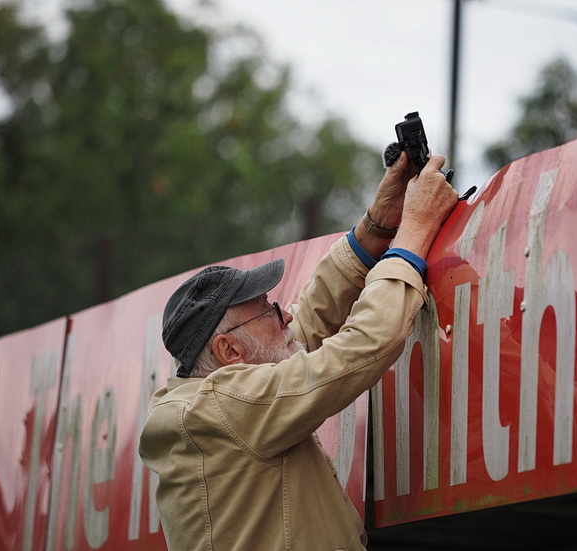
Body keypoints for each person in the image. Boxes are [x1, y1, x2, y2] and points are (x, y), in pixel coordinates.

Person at [138, 151, 459, 551]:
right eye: (270, 312)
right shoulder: (226, 408)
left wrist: (376, 227)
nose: (285, 316)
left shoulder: (208, 404)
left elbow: (303, 327)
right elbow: (363, 344)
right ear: (230, 350)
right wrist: (415, 229)